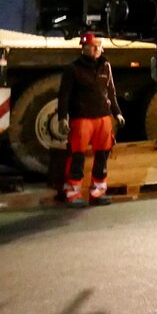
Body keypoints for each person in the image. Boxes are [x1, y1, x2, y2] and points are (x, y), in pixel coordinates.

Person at [56, 32, 125, 207]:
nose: (96, 49)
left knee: (102, 155)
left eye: (99, 46)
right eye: (93, 46)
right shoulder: (73, 69)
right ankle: (72, 193)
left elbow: (111, 92)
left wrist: (117, 113)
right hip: (82, 119)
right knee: (77, 156)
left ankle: (98, 192)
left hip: (103, 118)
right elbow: (64, 96)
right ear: (84, 47)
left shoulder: (105, 66)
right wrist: (63, 118)